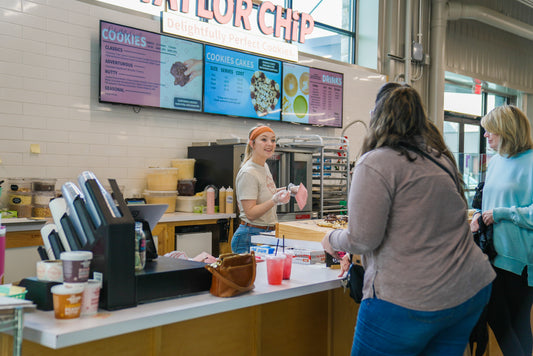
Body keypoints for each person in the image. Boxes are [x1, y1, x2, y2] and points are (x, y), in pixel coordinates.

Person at [321, 83, 495, 355]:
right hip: (466, 290)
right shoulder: (440, 160)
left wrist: (330, 238)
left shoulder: (376, 162)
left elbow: (363, 238)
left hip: (410, 297)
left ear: (376, 117)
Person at [470, 105, 533, 356]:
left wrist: (503, 214)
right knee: (497, 321)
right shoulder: (495, 162)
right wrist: (478, 215)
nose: (486, 135)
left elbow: (504, 210)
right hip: (491, 254)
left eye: (490, 130)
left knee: (516, 326)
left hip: (520, 261)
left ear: (507, 131)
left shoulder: (530, 162)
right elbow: (486, 202)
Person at [231, 125, 290, 253]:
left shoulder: (264, 166)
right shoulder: (249, 172)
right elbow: (250, 213)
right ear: (252, 144)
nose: (270, 144)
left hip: (266, 234)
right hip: (250, 236)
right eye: (264, 140)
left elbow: (265, 193)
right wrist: (275, 201)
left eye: (273, 140)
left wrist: (289, 190)